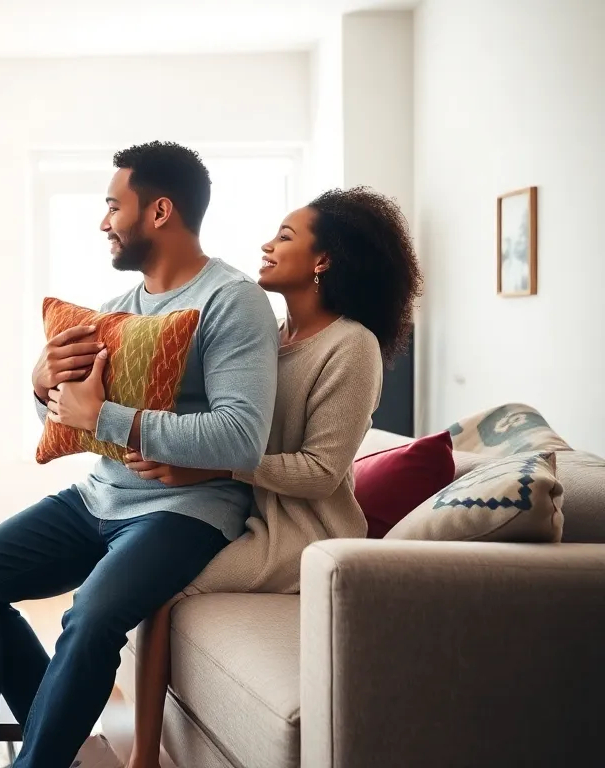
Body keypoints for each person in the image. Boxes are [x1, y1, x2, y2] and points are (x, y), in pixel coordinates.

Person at [0, 141, 281, 768]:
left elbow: (241, 436)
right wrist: (41, 388)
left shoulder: (232, 299)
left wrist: (104, 416)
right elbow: (70, 419)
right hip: (98, 496)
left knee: (90, 615)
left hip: (186, 510)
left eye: (114, 206)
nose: (103, 222)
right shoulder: (115, 314)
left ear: (160, 211)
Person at [122, 186, 423, 768]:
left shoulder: (351, 346)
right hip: (240, 512)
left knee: (155, 584)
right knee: (132, 550)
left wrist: (215, 464)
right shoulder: (268, 338)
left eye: (285, 236)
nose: (266, 245)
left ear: (323, 259)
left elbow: (320, 473)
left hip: (301, 533)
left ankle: (143, 757)